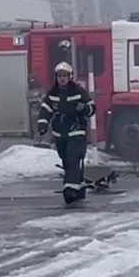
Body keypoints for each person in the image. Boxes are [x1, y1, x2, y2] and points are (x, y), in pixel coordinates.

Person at [36, 61, 95, 205]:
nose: (62, 78)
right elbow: (46, 110)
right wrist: (42, 124)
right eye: (60, 76)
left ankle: (69, 189)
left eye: (65, 75)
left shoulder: (78, 91)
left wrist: (84, 109)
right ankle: (79, 188)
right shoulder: (52, 94)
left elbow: (92, 108)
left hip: (76, 132)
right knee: (67, 161)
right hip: (60, 134)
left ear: (70, 76)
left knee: (73, 158)